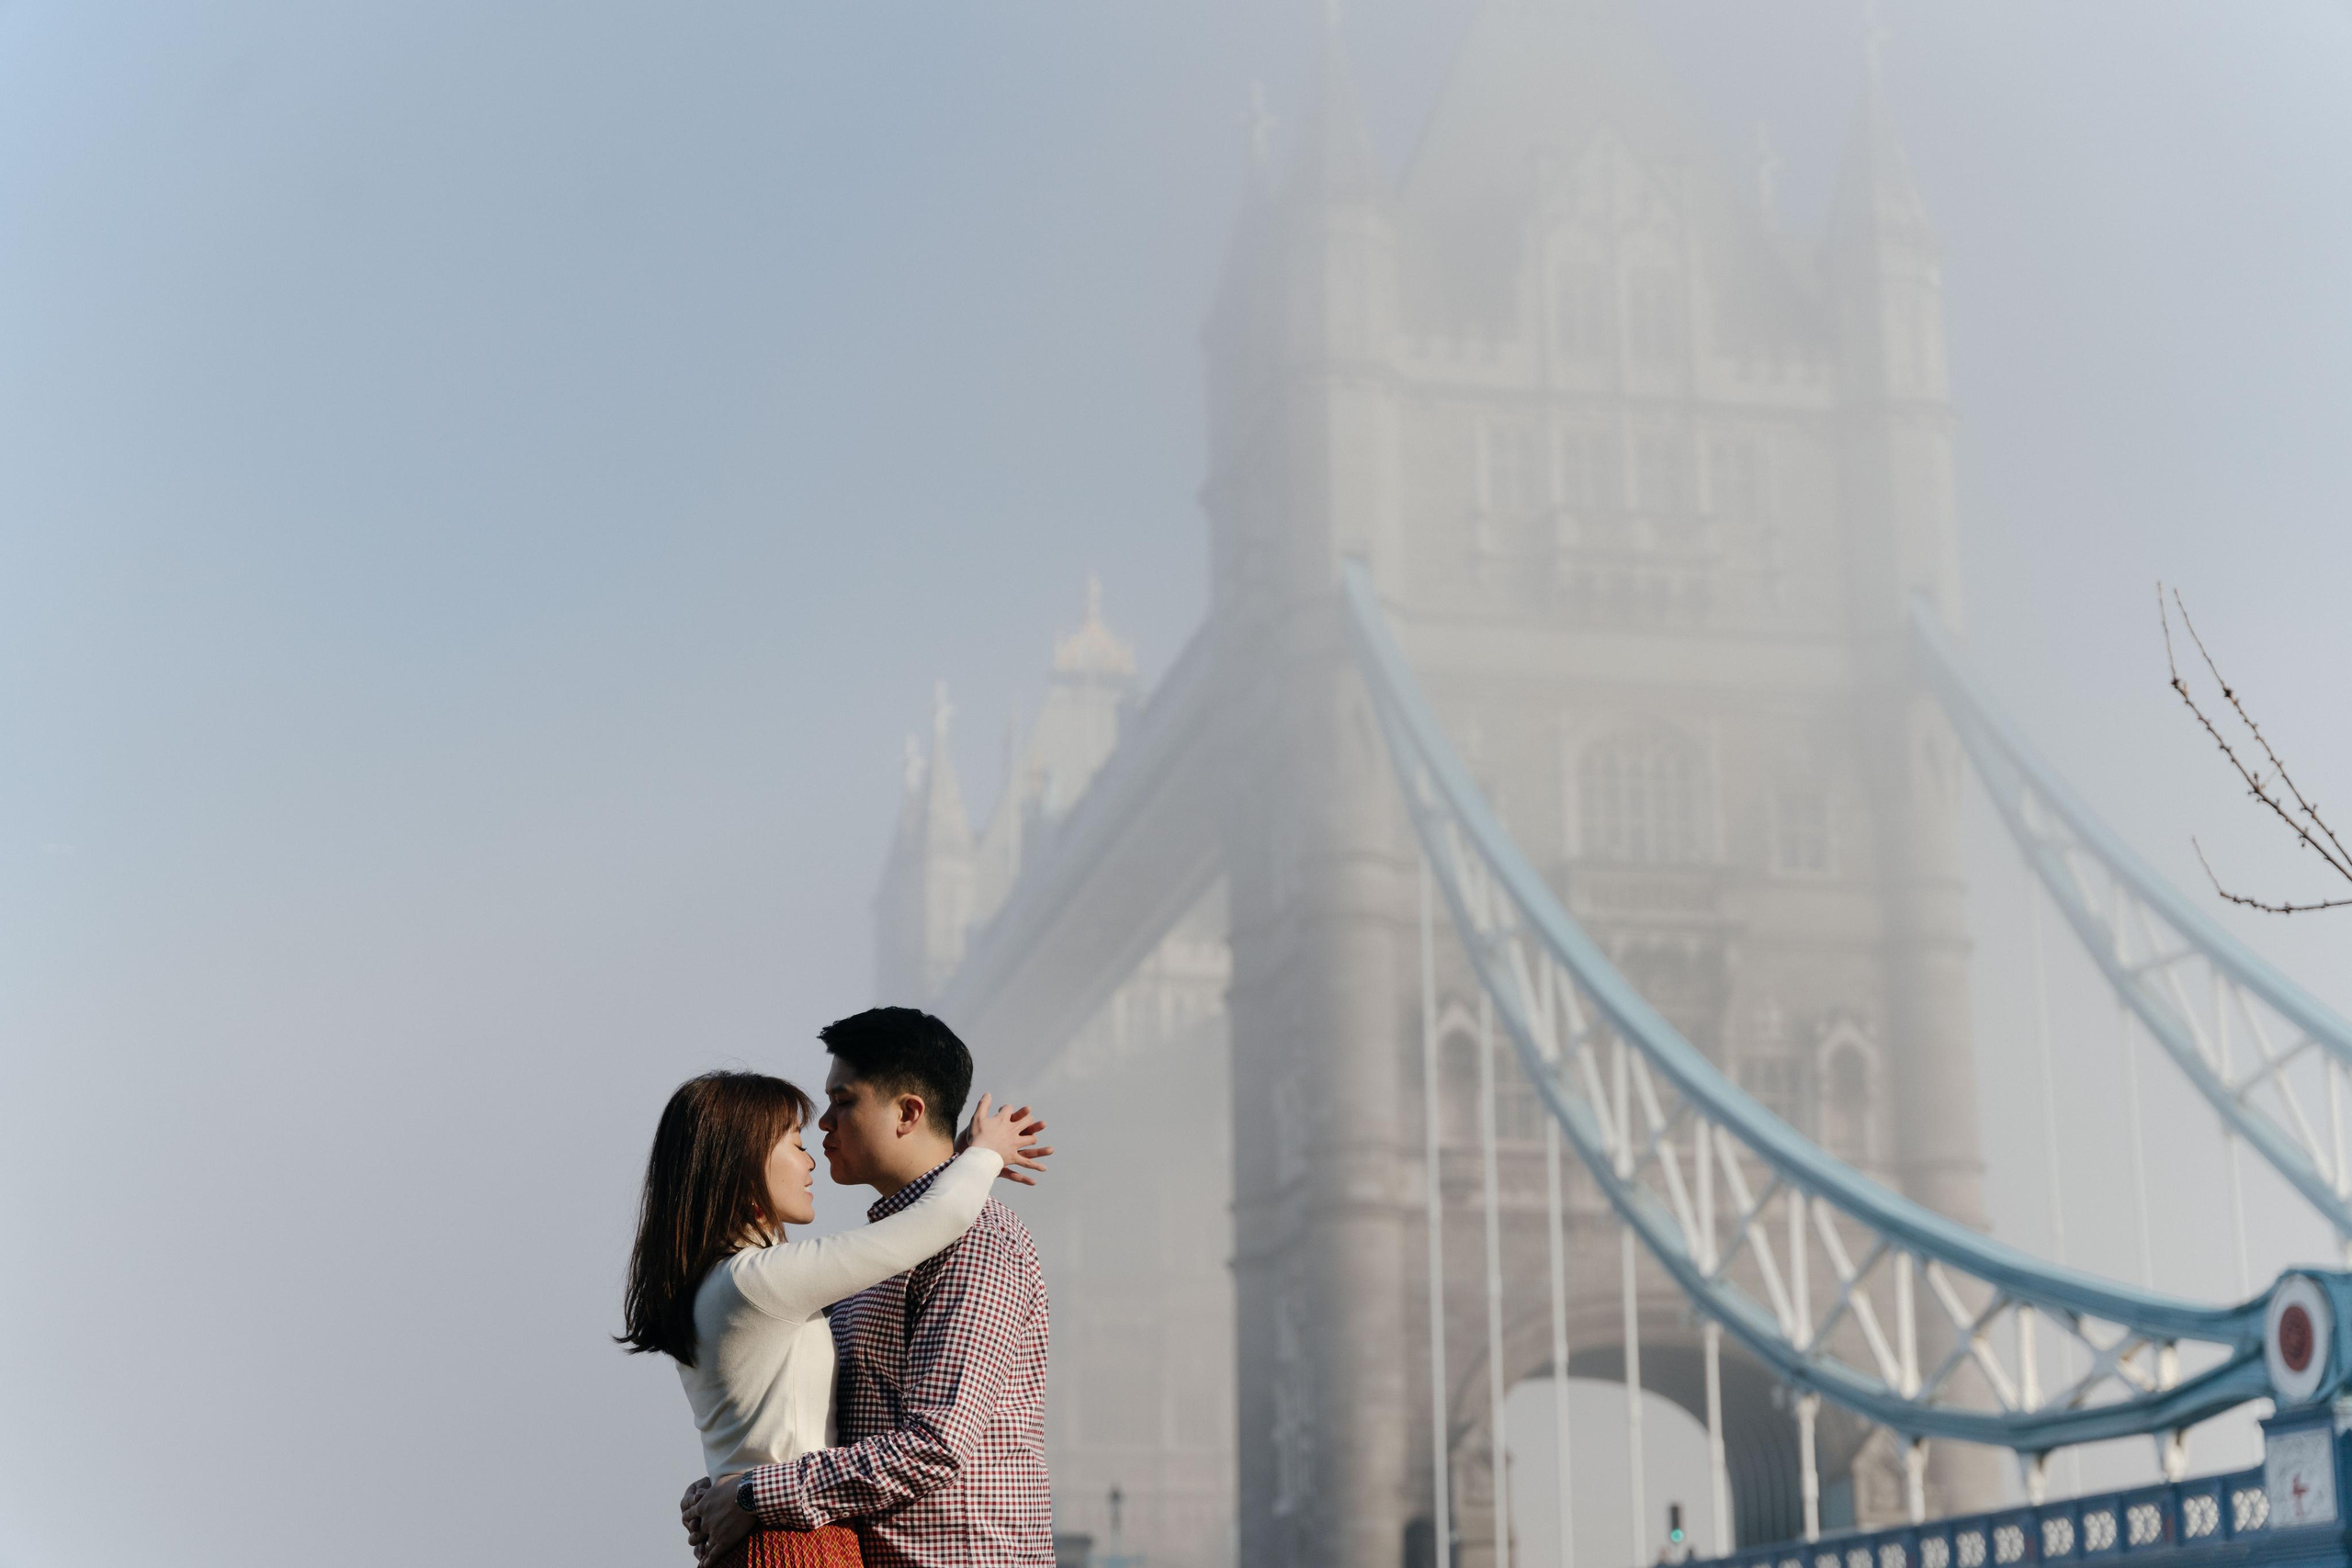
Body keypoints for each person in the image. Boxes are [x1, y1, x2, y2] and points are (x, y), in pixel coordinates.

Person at [620, 1051, 1047, 1568]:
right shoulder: (761, 1281)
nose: (810, 1159)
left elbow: (766, 1435)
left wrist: (734, 1490)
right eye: (796, 1144)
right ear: (743, 1164)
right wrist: (983, 1156)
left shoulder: (716, 1284)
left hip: (768, 1536)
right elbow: (937, 1221)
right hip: (794, 1546)